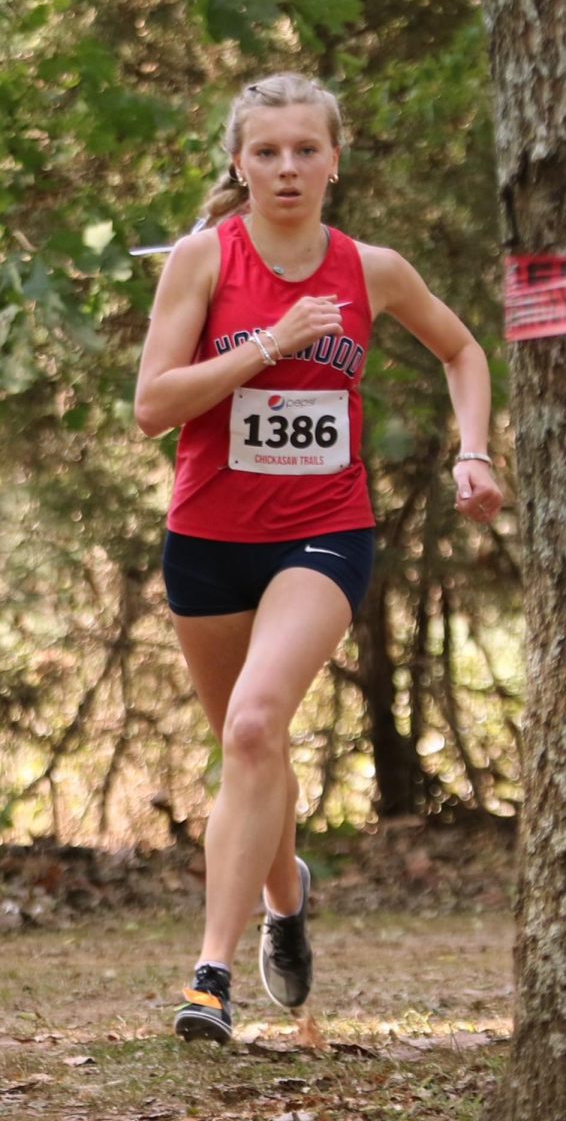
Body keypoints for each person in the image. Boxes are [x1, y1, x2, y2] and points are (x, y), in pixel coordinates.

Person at [134, 72, 503, 1046]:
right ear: (239, 163)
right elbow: (152, 407)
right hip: (207, 542)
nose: (287, 168)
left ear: (335, 160)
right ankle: (286, 899)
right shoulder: (200, 261)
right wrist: (266, 345)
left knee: (255, 726)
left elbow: (462, 350)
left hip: (322, 533)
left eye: (305, 150)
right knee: (249, 753)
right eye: (267, 152)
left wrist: (473, 452)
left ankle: (209, 978)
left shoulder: (370, 268)